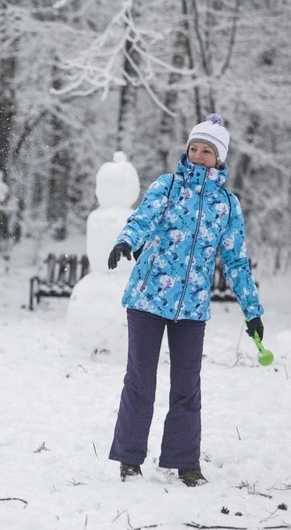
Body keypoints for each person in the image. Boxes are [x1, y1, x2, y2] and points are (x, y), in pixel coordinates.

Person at [107, 114, 264, 487]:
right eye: (194, 147)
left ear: (219, 157)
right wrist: (125, 240)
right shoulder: (169, 186)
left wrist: (252, 310)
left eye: (206, 150)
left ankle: (185, 462)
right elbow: (142, 218)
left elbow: (236, 260)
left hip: (192, 307)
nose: (197, 154)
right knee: (140, 381)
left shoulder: (227, 205)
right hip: (147, 298)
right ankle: (129, 459)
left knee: (187, 386)